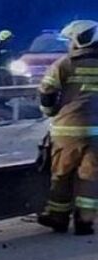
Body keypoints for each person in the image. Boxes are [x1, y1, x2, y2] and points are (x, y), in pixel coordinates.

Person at [37, 19, 98, 236]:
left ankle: (58, 217)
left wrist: (49, 112)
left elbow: (47, 92)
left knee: (61, 175)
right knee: (89, 176)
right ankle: (85, 222)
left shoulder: (64, 64)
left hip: (68, 130)